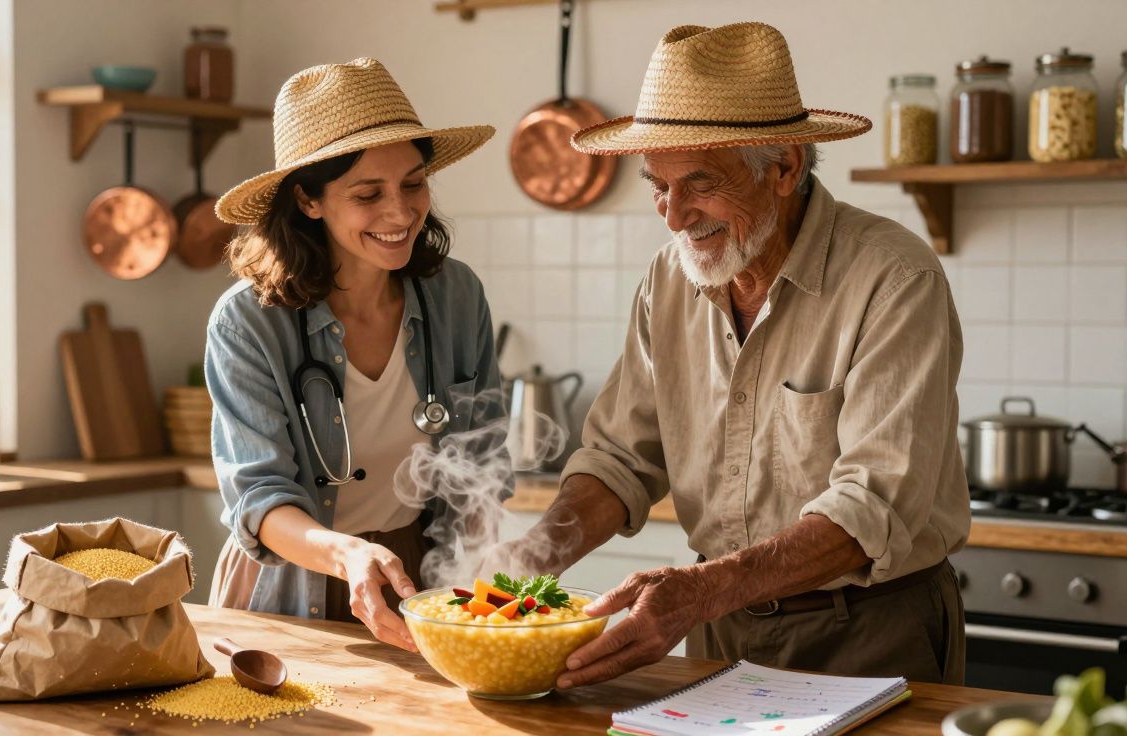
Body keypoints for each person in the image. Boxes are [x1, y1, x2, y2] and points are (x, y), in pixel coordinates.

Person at [504, 22, 970, 687]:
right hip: (720, 633)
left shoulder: (894, 278)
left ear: (784, 169)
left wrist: (696, 591)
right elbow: (619, 460)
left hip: (870, 631)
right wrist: (532, 555)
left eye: (698, 183)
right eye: (657, 186)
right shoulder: (670, 278)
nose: (672, 215)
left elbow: (872, 506)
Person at [205, 57, 503, 652]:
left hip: (414, 573)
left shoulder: (457, 295)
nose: (401, 213)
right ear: (309, 202)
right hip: (289, 580)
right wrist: (348, 555)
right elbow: (259, 498)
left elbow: (479, 462)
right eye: (368, 194)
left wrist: (485, 588)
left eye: (414, 184)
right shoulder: (248, 322)